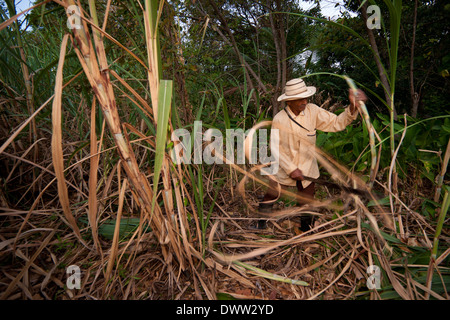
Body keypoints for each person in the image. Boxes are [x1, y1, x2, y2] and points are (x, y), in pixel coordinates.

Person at [257, 78, 367, 230]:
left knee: (307, 200)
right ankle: (261, 223)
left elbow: (336, 123)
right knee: (272, 194)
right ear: (289, 101)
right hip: (283, 167)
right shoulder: (279, 119)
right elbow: (276, 149)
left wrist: (353, 107)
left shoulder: (313, 111)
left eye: (305, 97)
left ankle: (305, 229)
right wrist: (291, 169)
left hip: (308, 167)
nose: (304, 101)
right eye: (299, 99)